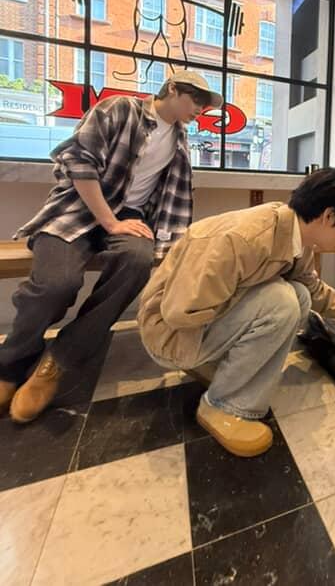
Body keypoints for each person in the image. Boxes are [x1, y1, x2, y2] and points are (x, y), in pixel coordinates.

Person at [0, 70, 223, 424]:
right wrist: (110, 222)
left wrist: (169, 244)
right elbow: (78, 161)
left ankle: (58, 361)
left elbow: (173, 199)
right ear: (172, 89)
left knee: (137, 262)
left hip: (130, 218)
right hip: (77, 210)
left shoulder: (180, 141)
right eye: (196, 99)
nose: (201, 109)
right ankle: (11, 364)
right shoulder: (119, 109)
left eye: (205, 104)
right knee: (56, 284)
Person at [138, 167, 335, 458]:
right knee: (280, 300)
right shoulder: (245, 238)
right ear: (328, 216)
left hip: (195, 324)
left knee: (298, 296)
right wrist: (258, 297)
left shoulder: (295, 236)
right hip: (171, 334)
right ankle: (222, 405)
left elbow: (310, 287)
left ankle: (221, 369)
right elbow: (180, 311)